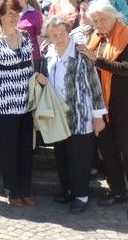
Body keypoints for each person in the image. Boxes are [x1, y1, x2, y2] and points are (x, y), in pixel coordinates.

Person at [36, 16, 107, 214]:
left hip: (80, 115)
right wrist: (43, 82)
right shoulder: (48, 53)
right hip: (58, 116)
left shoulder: (81, 53)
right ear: (48, 36)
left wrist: (98, 116)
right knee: (62, 156)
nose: (59, 38)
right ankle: (67, 190)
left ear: (69, 33)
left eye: (62, 34)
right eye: (54, 35)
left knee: (79, 158)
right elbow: (51, 83)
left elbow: (94, 85)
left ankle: (81, 196)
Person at [82, 0, 128, 216]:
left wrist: (96, 59)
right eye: (95, 20)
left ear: (114, 17)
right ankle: (118, 191)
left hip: (124, 101)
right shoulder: (96, 36)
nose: (98, 24)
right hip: (101, 102)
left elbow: (126, 68)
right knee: (108, 149)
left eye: (102, 19)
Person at [0, 0, 35, 207]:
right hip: (4, 102)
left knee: (25, 147)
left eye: (16, 12)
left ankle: (26, 188)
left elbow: (31, 64)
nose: (14, 17)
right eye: (10, 13)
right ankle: (12, 189)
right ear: (0, 16)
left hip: (26, 101)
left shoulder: (26, 36)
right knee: (9, 147)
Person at [8, 0, 43, 68]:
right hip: (12, 58)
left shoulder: (35, 14)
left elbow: (40, 38)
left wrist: (43, 59)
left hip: (33, 58)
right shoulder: (6, 14)